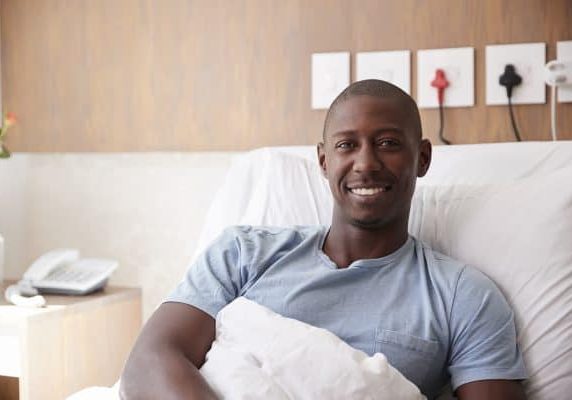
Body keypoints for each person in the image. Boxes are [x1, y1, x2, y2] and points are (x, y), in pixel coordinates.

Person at [120, 80, 527, 400]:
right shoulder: (243, 254)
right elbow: (148, 364)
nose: (365, 163)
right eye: (347, 145)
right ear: (323, 160)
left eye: (387, 143)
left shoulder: (462, 297)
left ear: (422, 158)